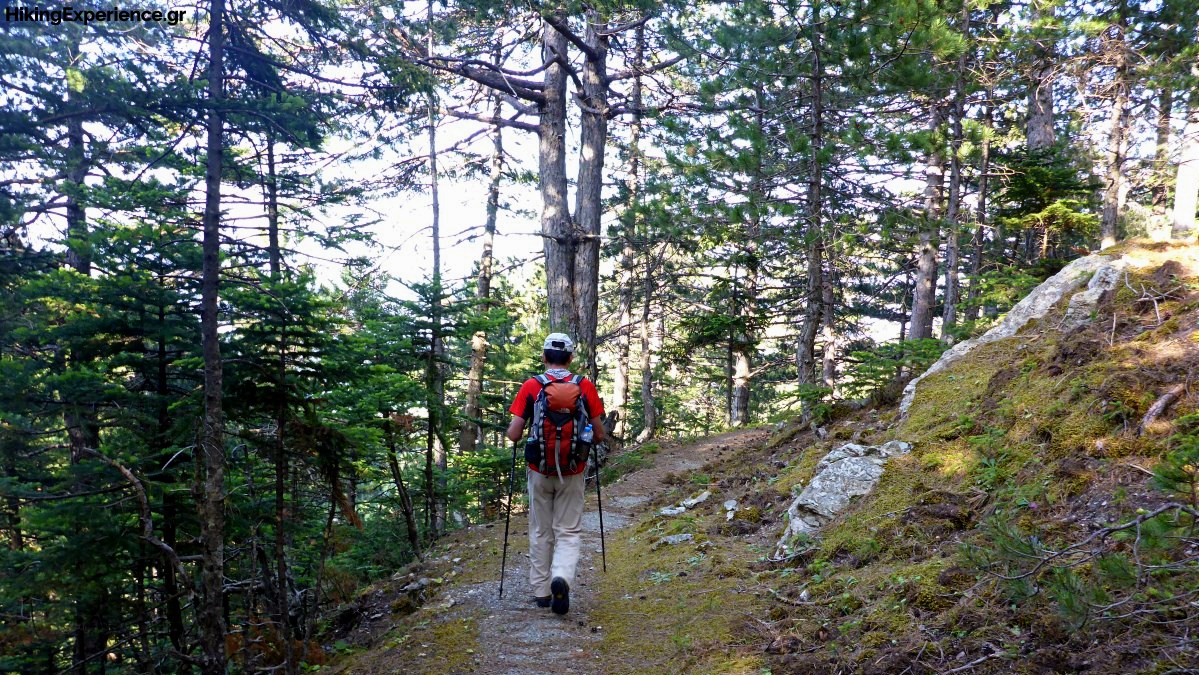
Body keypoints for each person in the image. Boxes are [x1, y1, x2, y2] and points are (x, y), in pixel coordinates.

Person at [506, 332, 606, 615]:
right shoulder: (583, 386)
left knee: (541, 529)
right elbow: (599, 434)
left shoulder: (531, 386)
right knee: (568, 530)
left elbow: (514, 434)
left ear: (544, 357)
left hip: (539, 469)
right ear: (571, 358)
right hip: (573, 470)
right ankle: (560, 576)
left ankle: (541, 591)